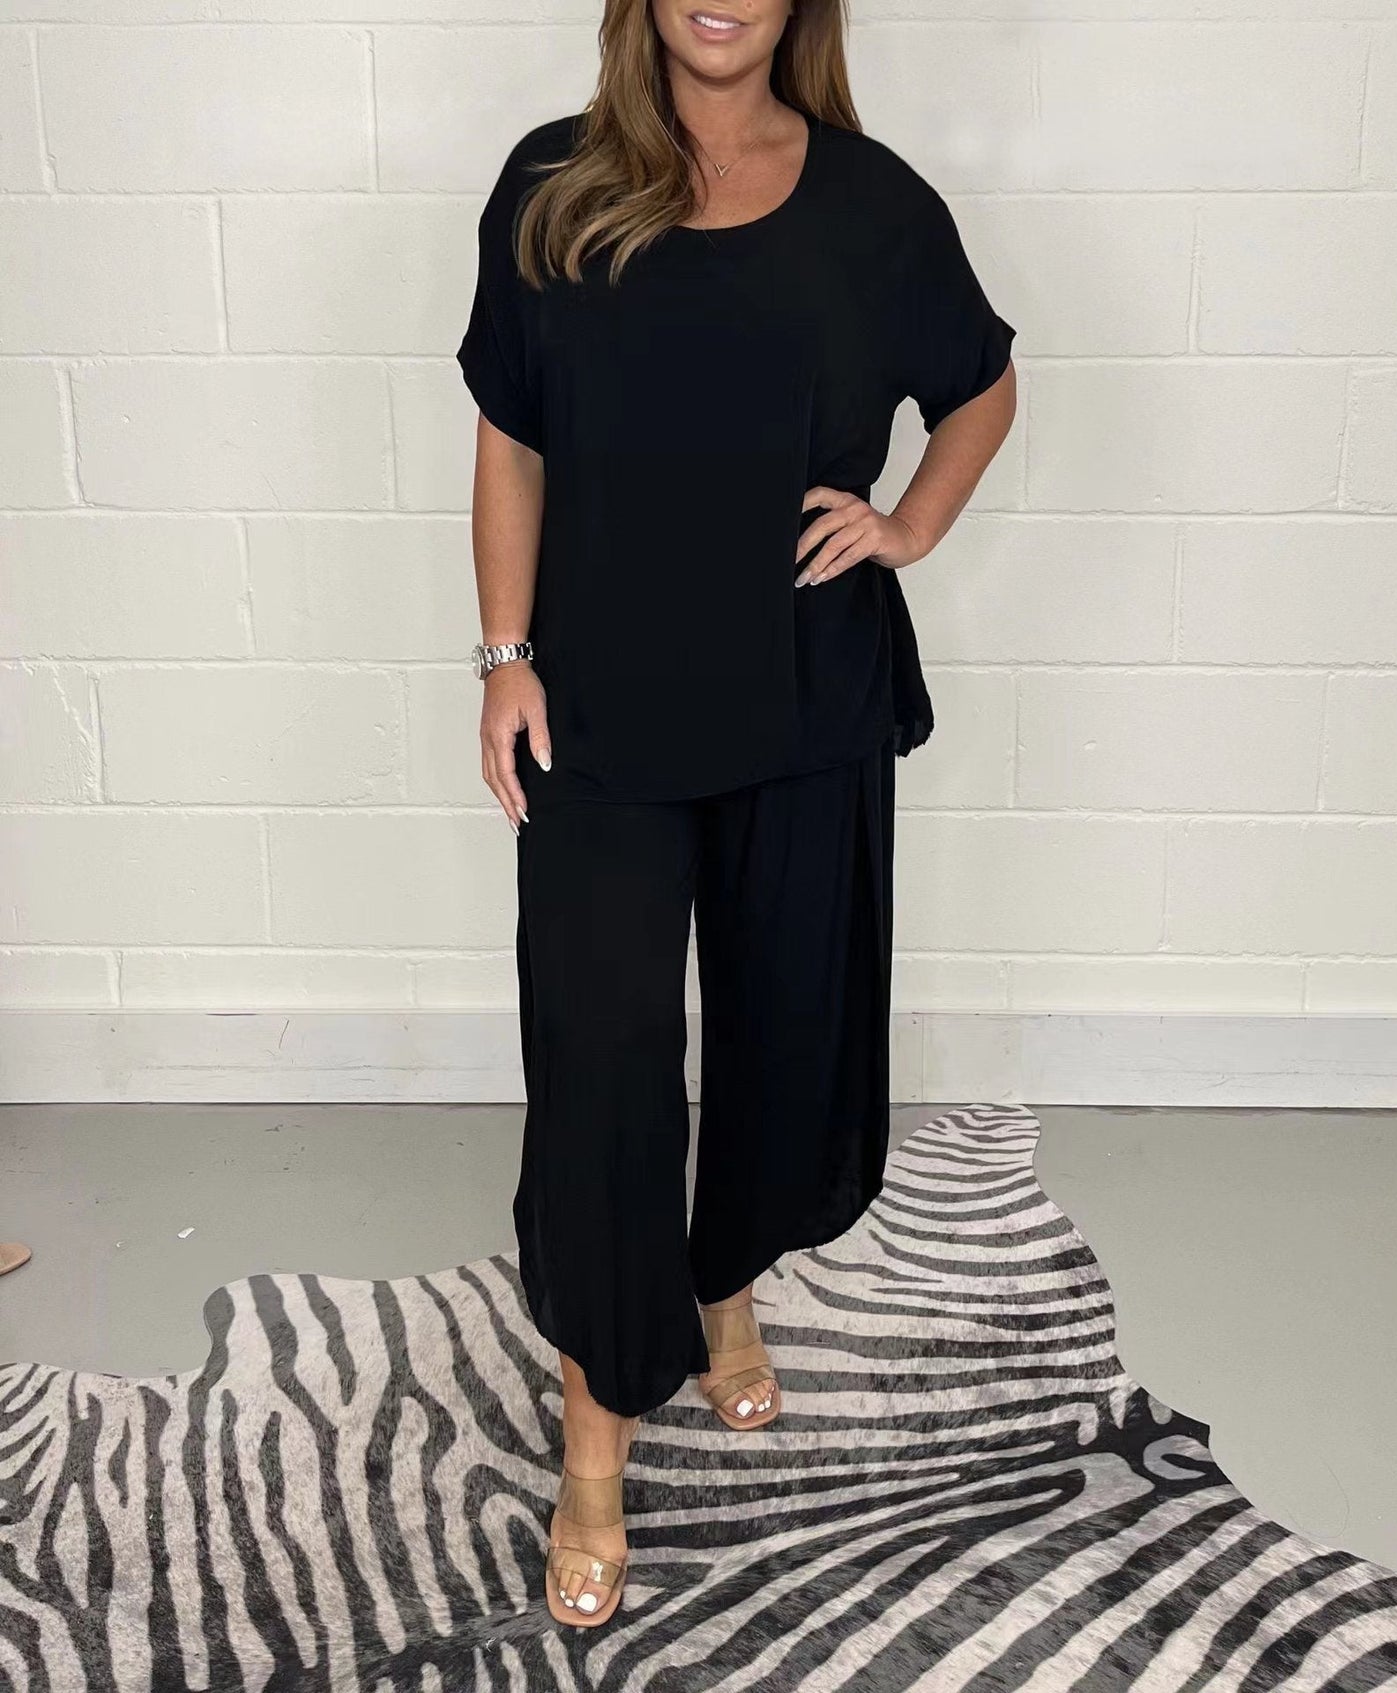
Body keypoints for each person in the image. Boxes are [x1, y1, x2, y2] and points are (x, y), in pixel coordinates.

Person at [457, 0, 1017, 1631]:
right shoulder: (552, 185)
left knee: (784, 1032)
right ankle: (594, 1444)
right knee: (604, 1064)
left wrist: (906, 525)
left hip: (804, 701)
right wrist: (502, 655)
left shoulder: (871, 201)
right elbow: (509, 439)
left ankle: (724, 1289)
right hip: (600, 710)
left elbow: (980, 387)